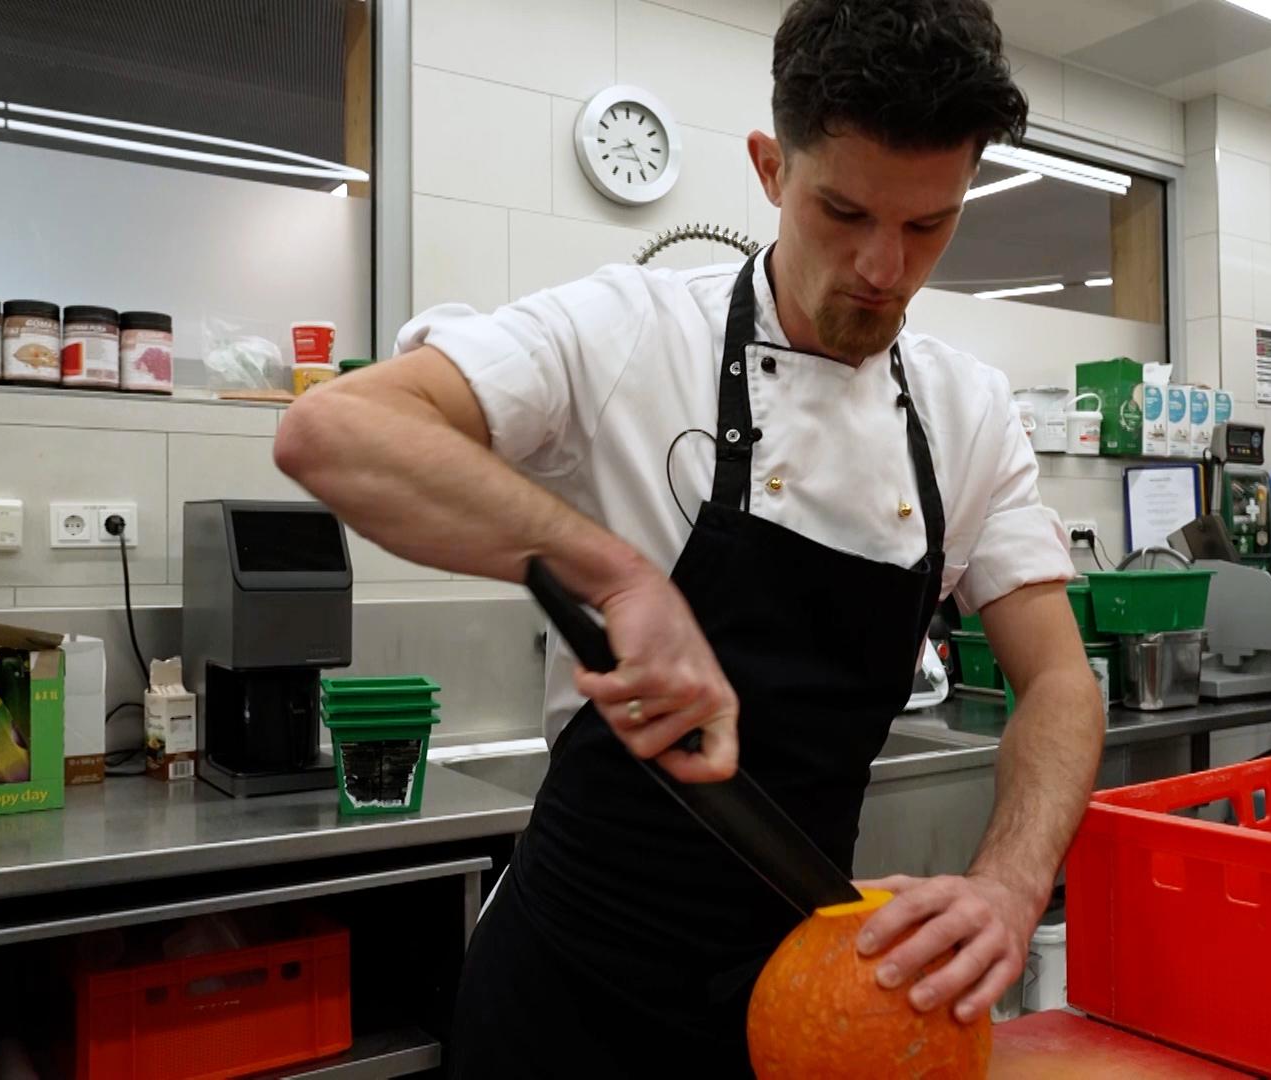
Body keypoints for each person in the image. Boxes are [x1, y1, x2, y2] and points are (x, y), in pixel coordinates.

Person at [274, 0, 1103, 1072]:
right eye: (843, 212)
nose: (883, 268)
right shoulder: (629, 330)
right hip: (567, 993)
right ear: (770, 168)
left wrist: (1007, 885)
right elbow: (335, 430)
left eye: (927, 225)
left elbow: (1061, 686)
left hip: (809, 1000)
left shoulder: (970, 415)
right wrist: (620, 578)